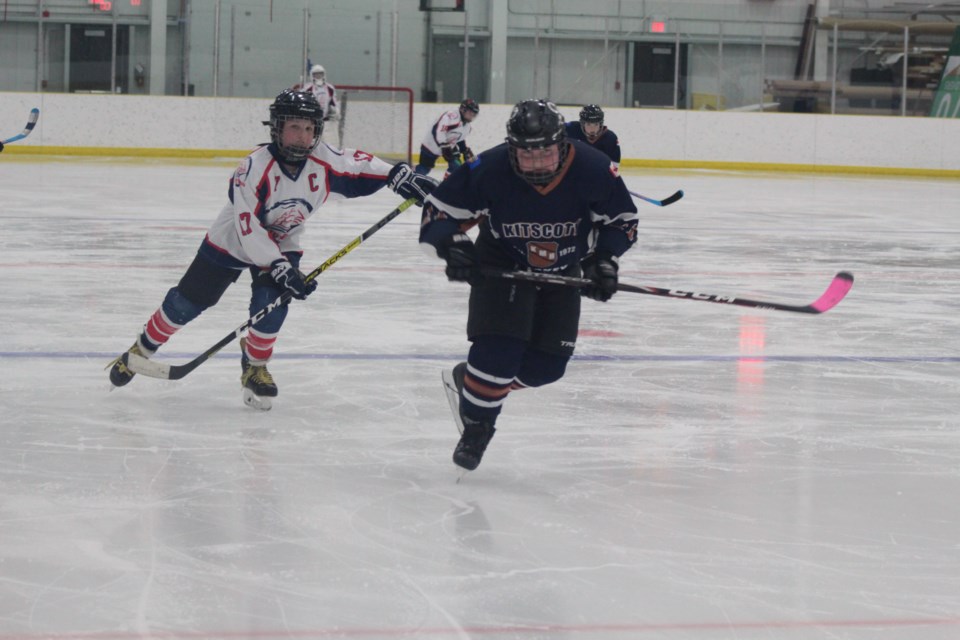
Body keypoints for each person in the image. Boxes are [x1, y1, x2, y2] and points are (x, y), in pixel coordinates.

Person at [107, 89, 437, 410]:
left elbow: (358, 163)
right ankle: (140, 350)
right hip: (232, 241)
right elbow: (249, 229)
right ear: (277, 128)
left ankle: (254, 365)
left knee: (272, 304)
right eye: (294, 127)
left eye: (309, 129)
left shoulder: (322, 159)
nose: (302, 136)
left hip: (282, 241)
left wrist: (398, 175)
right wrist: (279, 266)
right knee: (187, 303)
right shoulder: (252, 169)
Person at [419, 98, 639, 471]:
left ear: (563, 146)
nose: (537, 163)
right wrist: (452, 245)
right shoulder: (488, 168)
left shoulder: (594, 169)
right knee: (498, 356)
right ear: (511, 149)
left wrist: (603, 260)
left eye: (546, 153)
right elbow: (437, 213)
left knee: (546, 368)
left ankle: (470, 382)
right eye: (526, 154)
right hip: (503, 262)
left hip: (565, 266)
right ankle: (478, 427)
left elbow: (622, 222)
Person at [414, 99, 480, 176]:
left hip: (449, 146)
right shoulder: (451, 116)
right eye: (470, 113)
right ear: (463, 109)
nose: (471, 116)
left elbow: (459, 139)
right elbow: (437, 131)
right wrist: (444, 147)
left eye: (473, 114)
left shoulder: (467, 126)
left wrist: (464, 150)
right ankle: (410, 177)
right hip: (431, 145)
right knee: (424, 168)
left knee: (456, 167)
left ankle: (447, 186)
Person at [564, 104, 621, 175]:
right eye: (588, 124)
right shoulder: (571, 129)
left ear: (601, 124)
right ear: (582, 124)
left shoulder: (610, 139)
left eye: (596, 124)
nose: (592, 130)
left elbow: (614, 169)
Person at [295, 64, 339, 147]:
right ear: (312, 75)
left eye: (320, 74)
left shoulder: (330, 88)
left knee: (330, 145)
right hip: (312, 122)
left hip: (325, 122)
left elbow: (333, 103)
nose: (318, 76)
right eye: (316, 74)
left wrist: (335, 111)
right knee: (311, 144)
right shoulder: (307, 88)